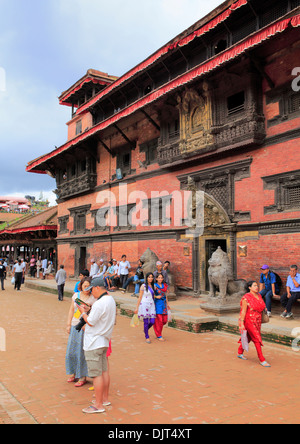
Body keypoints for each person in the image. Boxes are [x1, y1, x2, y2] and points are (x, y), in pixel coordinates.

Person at [77, 277, 116, 414]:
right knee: (104, 371)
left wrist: (83, 312)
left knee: (96, 374)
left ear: (97, 288)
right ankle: (104, 399)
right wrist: (90, 308)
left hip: (94, 342)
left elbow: (91, 321)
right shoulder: (110, 300)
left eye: (91, 289)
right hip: (104, 340)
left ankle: (98, 405)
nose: (91, 292)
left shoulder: (100, 303)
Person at [66, 277, 95, 388]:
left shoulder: (93, 299)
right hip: (74, 325)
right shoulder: (75, 296)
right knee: (71, 351)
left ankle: (82, 376)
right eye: (84, 286)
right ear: (81, 286)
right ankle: (73, 373)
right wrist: (68, 324)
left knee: (81, 352)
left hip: (84, 327)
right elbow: (71, 310)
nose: (86, 288)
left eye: (89, 286)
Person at [238, 281, 271, 367]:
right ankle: (262, 359)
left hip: (258, 320)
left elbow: (262, 306)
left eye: (257, 285)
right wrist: (241, 323)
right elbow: (243, 311)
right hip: (249, 320)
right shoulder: (246, 298)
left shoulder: (259, 296)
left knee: (249, 337)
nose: (257, 287)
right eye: (254, 285)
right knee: (257, 339)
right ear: (249, 287)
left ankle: (240, 352)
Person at [134, 272, 157, 344]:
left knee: (152, 321)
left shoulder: (154, 286)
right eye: (149, 277)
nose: (151, 278)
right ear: (146, 278)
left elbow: (153, 296)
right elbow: (140, 297)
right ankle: (147, 336)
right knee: (146, 321)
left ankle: (145, 329)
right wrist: (137, 308)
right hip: (144, 304)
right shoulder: (143, 286)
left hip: (151, 304)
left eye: (152, 277)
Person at [153, 273, 170, 341]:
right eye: (159, 278)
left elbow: (165, 295)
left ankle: (157, 330)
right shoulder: (154, 286)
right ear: (156, 279)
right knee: (159, 320)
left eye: (161, 278)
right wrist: (156, 296)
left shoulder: (164, 285)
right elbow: (151, 295)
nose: (160, 279)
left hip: (164, 304)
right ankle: (159, 335)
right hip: (157, 303)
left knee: (164, 320)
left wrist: (168, 304)